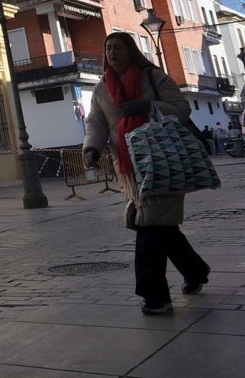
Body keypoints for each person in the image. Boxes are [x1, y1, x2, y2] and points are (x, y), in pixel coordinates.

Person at [82, 32, 210, 315]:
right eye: (108, 48)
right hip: (130, 170)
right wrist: (92, 148)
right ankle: (196, 271)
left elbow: (181, 108)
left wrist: (148, 106)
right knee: (163, 227)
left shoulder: (152, 77)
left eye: (118, 47)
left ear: (130, 50)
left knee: (148, 226)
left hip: (162, 161)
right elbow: (96, 122)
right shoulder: (102, 87)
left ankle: (155, 296)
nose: (112, 52)